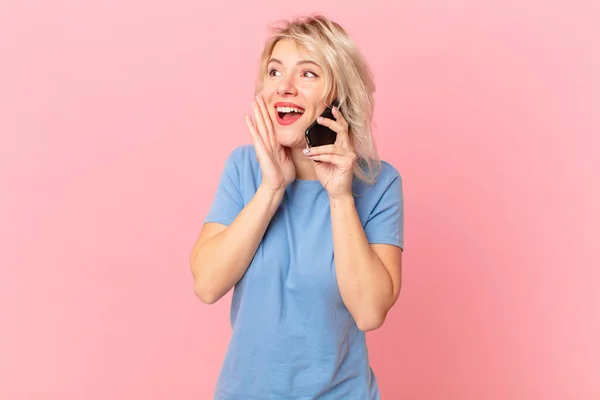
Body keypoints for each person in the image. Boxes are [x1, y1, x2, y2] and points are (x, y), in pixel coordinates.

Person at [190, 14, 404, 400]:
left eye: (307, 74)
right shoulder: (243, 168)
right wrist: (272, 189)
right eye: (274, 72)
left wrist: (339, 196)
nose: (283, 87)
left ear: (338, 95)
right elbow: (206, 285)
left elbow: (370, 312)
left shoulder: (378, 183)